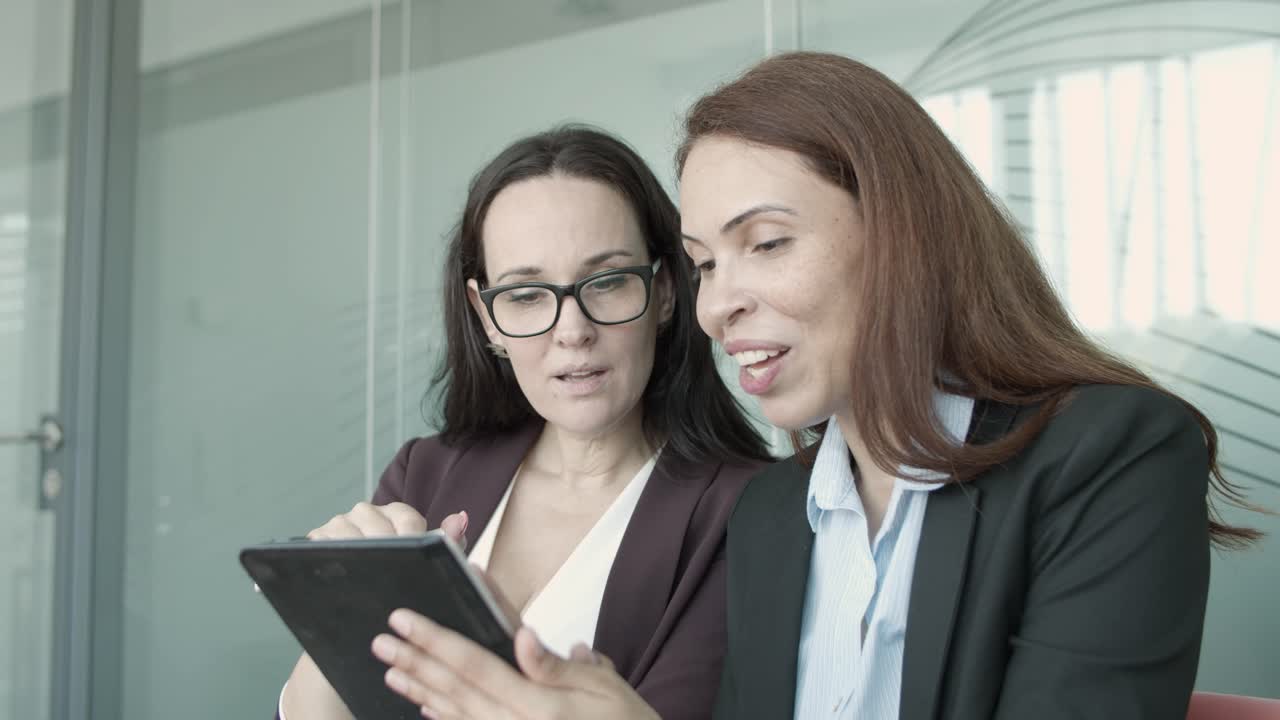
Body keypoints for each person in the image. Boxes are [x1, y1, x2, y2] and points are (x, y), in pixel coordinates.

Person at [369, 53, 1261, 720]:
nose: (719, 307)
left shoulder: (1111, 456)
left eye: (766, 242)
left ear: (902, 232)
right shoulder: (777, 514)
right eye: (707, 263)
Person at [278, 125, 771, 720]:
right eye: (526, 295)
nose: (571, 331)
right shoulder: (426, 474)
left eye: (608, 281)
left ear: (664, 291)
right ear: (486, 318)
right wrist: (331, 616)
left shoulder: (750, 513)